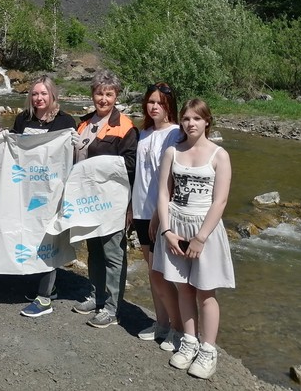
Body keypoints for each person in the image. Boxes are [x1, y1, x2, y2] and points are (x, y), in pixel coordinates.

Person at [153, 99, 235, 380]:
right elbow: (163, 194)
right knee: (182, 287)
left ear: (207, 122)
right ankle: (189, 341)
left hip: (205, 229)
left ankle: (208, 349)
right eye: (186, 119)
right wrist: (166, 231)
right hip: (175, 224)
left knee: (206, 291)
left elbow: (220, 200)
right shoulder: (173, 152)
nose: (190, 124)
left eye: (196, 119)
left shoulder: (219, 155)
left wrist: (200, 238)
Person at [8, 76, 78, 318]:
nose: (38, 98)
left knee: (50, 237)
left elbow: (72, 158)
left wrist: (76, 145)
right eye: (35, 94)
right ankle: (50, 285)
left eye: (43, 94)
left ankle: (44, 297)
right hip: (27, 189)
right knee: (30, 232)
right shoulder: (23, 119)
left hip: (53, 191)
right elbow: (13, 151)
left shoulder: (65, 121)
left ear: (52, 96)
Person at [72, 69, 138, 328]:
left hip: (113, 200)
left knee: (113, 253)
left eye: (109, 94)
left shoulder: (126, 127)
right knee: (94, 251)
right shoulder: (84, 123)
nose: (103, 99)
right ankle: (95, 295)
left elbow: (131, 163)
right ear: (93, 94)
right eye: (99, 93)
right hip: (88, 200)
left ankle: (111, 307)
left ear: (116, 96)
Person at [133, 83, 183, 349]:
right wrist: (132, 209)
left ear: (169, 107)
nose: (154, 107)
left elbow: (174, 178)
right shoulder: (144, 133)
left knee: (162, 274)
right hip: (140, 210)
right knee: (153, 274)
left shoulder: (175, 134)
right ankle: (162, 324)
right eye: (151, 101)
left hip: (159, 212)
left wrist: (158, 215)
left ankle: (178, 328)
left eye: (160, 103)